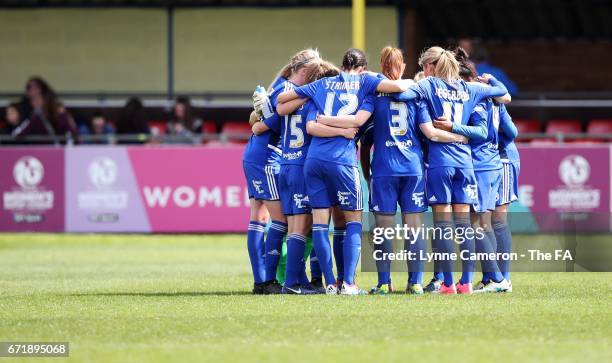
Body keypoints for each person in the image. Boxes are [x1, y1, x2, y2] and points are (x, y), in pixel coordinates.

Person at [315, 47, 468, 295]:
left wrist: (367, 175)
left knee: (383, 229)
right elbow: (427, 135)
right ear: (404, 67)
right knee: (414, 228)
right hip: (412, 169)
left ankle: (384, 282)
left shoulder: (373, 96)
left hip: (384, 170)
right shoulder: (417, 95)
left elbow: (364, 144)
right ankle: (415, 282)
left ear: (379, 67)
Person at [276, 48, 415, 295]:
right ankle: (348, 283)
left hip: (314, 161)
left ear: (342, 65)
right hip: (342, 161)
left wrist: (323, 118)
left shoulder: (323, 84)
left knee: (320, 224)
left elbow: (282, 104)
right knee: (353, 221)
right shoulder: (367, 82)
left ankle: (330, 283)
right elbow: (361, 119)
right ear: (362, 68)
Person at [394, 46, 511, 294]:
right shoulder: (469, 88)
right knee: (464, 225)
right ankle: (466, 282)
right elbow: (502, 92)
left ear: (431, 67)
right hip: (465, 164)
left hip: (441, 163)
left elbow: (402, 97)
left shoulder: (428, 86)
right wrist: (491, 79)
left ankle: (447, 283)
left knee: (443, 225)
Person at [252, 59, 343, 294]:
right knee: (301, 228)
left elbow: (265, 120)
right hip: (302, 167)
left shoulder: (290, 99)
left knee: (295, 227)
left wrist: (259, 114)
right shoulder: (315, 101)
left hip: (285, 165)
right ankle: (292, 283)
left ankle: (297, 281)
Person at [244, 48, 321, 295]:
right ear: (306, 70)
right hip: (268, 157)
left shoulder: (282, 88)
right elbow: (276, 118)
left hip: (258, 155)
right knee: (283, 221)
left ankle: (264, 281)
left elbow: (258, 118)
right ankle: (270, 280)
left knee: (260, 218)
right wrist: (261, 123)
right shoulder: (289, 91)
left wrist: (257, 122)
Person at [432, 51, 508, 293]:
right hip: (487, 163)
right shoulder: (487, 98)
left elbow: (482, 132)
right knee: (483, 223)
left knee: (478, 224)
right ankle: (490, 278)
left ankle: (496, 278)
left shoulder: (475, 99)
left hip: (482, 166)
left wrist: (454, 128)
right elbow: (512, 131)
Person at [492, 103, 520, 292]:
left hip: (502, 160)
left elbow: (512, 132)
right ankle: (493, 277)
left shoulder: (494, 100)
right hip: (484, 162)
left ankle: (504, 279)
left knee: (498, 220)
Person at [13, 77, 78, 144]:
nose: (33, 91)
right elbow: (16, 134)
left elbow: (71, 132)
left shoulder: (59, 111)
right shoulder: (29, 114)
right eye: (29, 88)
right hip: (38, 150)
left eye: (36, 87)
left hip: (58, 149)